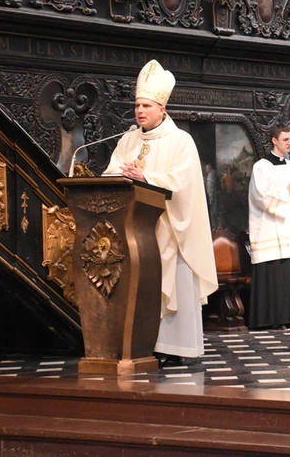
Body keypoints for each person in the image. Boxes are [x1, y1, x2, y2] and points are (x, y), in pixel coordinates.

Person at [103, 59, 218, 367]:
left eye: (146, 105)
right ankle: (144, 345)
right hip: (135, 231)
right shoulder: (129, 139)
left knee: (173, 285)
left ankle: (177, 347)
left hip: (170, 229)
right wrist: (120, 175)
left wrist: (147, 179)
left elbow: (184, 184)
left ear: (162, 109)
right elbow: (112, 171)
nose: (140, 111)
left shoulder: (181, 141)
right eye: (137, 105)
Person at [247, 124, 290, 329]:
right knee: (273, 272)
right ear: (274, 140)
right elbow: (260, 197)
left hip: (288, 226)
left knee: (289, 270)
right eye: (285, 140)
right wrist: (287, 194)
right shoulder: (261, 166)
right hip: (268, 226)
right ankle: (271, 319)